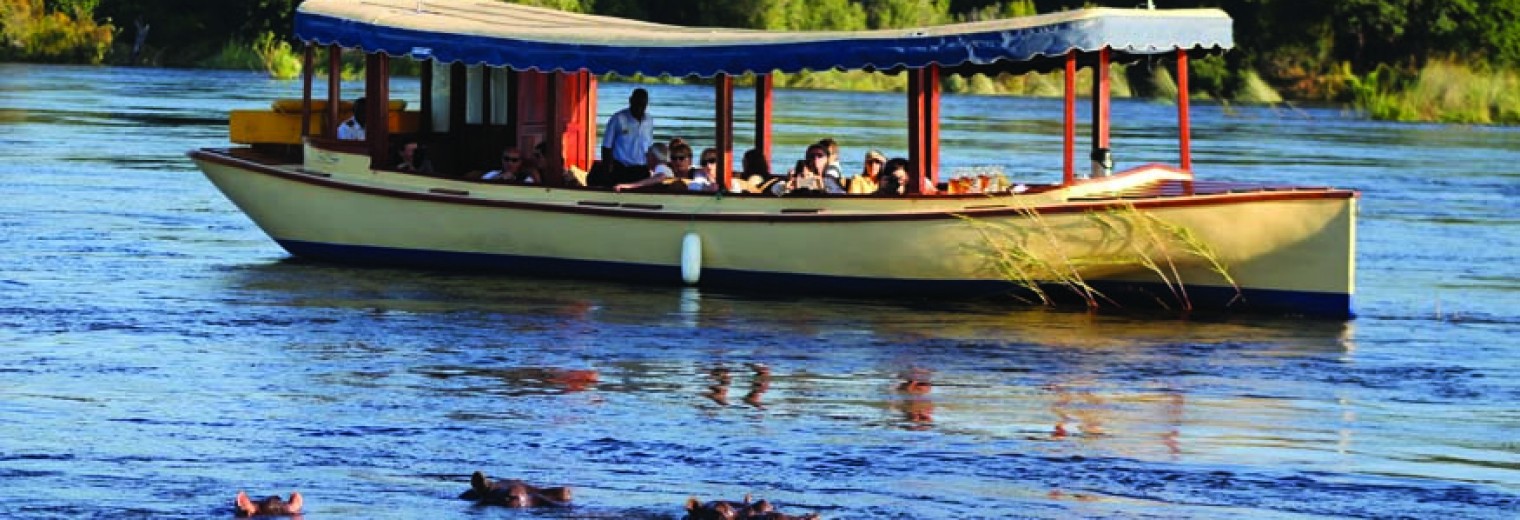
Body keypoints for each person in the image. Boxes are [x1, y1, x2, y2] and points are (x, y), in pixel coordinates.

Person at [599, 88, 654, 185]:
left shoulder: (649, 120)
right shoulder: (618, 118)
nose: (639, 108)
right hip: (622, 169)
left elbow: (649, 146)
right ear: (630, 100)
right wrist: (607, 171)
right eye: (637, 104)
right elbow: (606, 146)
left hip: (641, 169)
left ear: (646, 103)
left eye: (643, 104)